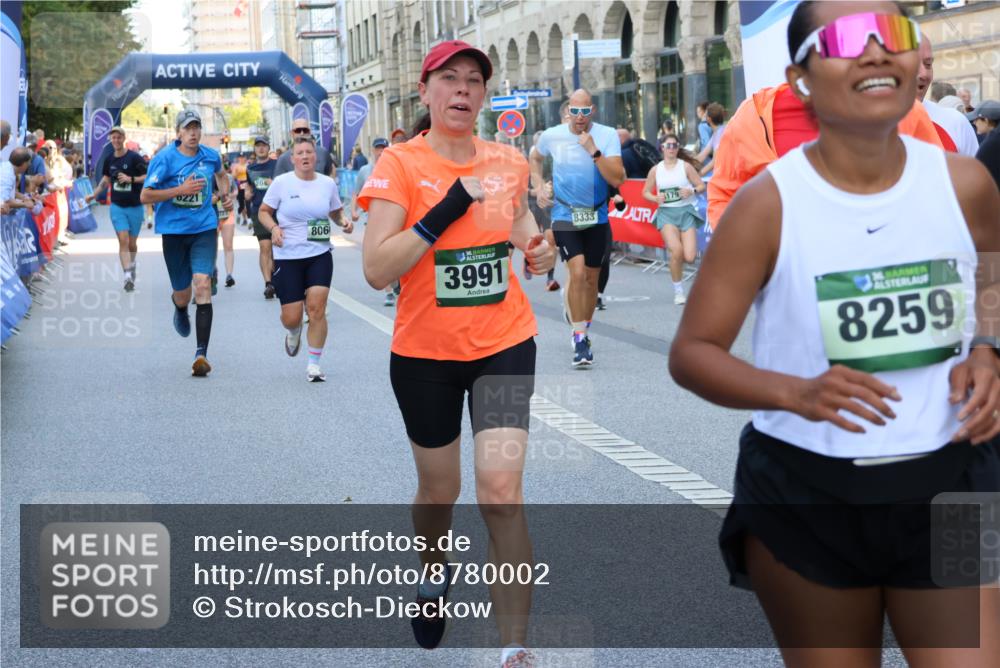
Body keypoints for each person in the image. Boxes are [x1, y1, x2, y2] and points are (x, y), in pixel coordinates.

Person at [670, 3, 1000, 665]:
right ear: (800, 79)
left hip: (952, 481)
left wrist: (987, 349)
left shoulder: (966, 184)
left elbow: (990, 273)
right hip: (808, 494)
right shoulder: (767, 204)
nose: (877, 51)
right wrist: (795, 392)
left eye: (895, 33)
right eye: (848, 39)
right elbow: (692, 353)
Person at [357, 39, 554, 668]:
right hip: (425, 356)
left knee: (500, 492)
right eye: (449, 78)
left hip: (504, 344)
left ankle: (513, 647)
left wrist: (539, 251)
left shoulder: (506, 162)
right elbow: (376, 270)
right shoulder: (400, 165)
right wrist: (446, 208)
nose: (463, 89)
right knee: (439, 491)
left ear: (483, 96)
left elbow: (519, 228)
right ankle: (433, 567)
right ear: (426, 91)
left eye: (474, 80)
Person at [707, 77, 941, 229]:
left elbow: (943, 192)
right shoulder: (754, 117)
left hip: (892, 280)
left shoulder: (904, 110)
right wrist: (760, 261)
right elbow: (724, 196)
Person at [532, 88, 625, 367]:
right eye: (575, 111)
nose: (580, 116)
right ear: (567, 112)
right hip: (565, 213)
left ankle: (582, 323)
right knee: (578, 271)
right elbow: (535, 158)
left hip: (596, 215)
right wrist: (539, 186)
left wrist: (594, 151)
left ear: (592, 110)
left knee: (591, 280)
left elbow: (617, 178)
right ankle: (580, 338)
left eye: (585, 111)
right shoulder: (552, 135)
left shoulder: (607, 135)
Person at [140, 109, 231, 377]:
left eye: (196, 127)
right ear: (179, 132)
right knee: (183, 293)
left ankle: (201, 354)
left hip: (204, 228)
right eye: (188, 128)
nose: (193, 133)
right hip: (174, 233)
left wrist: (225, 194)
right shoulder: (164, 159)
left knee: (202, 284)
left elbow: (222, 174)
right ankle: (180, 307)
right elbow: (145, 195)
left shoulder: (210, 156)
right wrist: (180, 190)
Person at [258, 137, 351, 382]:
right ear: (293, 159)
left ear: (315, 157)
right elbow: (263, 212)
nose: (305, 156)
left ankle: (314, 364)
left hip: (319, 254)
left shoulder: (327, 184)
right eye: (300, 153)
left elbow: (335, 212)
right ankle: (293, 330)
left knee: (317, 309)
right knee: (292, 317)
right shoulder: (282, 183)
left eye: (309, 152)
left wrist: (343, 221)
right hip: (288, 256)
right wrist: (274, 228)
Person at [641, 134, 705, 305]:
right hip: (666, 213)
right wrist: (655, 198)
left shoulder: (686, 166)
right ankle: (678, 291)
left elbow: (701, 185)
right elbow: (645, 192)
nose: (671, 148)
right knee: (676, 250)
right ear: (661, 147)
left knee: (690, 257)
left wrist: (691, 191)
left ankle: (676, 265)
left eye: (675, 145)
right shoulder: (656, 170)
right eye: (668, 145)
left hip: (686, 212)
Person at [86, 126, 147, 291]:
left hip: (135, 206)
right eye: (113, 138)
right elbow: (105, 180)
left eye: (119, 137)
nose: (116, 140)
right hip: (117, 206)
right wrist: (93, 195)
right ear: (110, 140)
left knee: (132, 244)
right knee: (123, 240)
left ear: (124, 138)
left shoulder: (135, 158)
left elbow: (147, 176)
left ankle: (131, 265)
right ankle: (127, 275)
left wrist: (130, 179)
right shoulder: (109, 159)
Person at [352, 136, 397, 306]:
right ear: (373, 151)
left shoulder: (395, 168)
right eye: (378, 149)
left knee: (394, 255)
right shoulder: (365, 170)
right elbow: (356, 192)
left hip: (394, 218)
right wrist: (354, 210)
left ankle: (396, 284)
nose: (381, 152)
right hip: (372, 219)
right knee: (381, 256)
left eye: (384, 148)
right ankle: (389, 292)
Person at [917, 36, 979, 156]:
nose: (924, 74)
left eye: (928, 64)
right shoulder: (878, 125)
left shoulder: (955, 122)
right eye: (914, 64)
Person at [244, 135, 278, 299]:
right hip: (259, 211)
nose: (261, 148)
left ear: (268, 147)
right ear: (255, 149)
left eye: (264, 145)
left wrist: (274, 184)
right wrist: (247, 194)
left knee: (277, 248)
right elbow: (249, 187)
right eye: (258, 146)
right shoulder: (250, 168)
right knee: (265, 247)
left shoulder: (277, 165)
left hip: (277, 211)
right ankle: (268, 284)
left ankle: (277, 277)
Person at [527, 130, 559, 292]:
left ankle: (550, 278)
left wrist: (552, 188)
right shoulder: (525, 161)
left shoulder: (555, 160)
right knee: (531, 239)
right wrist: (535, 191)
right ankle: (528, 260)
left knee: (550, 239)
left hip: (548, 205)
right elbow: (520, 189)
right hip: (531, 204)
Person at [214, 163, 238, 289]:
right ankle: (212, 271)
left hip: (227, 214)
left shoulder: (228, 177)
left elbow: (235, 191)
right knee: (212, 246)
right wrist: (217, 196)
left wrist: (228, 196)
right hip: (212, 215)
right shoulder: (208, 176)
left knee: (228, 245)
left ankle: (229, 275)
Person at [695, 102, 727, 176]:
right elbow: (702, 155)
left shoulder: (720, 133)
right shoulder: (716, 133)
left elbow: (715, 161)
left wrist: (697, 175)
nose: (703, 117)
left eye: (705, 115)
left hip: (727, 176)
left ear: (709, 119)